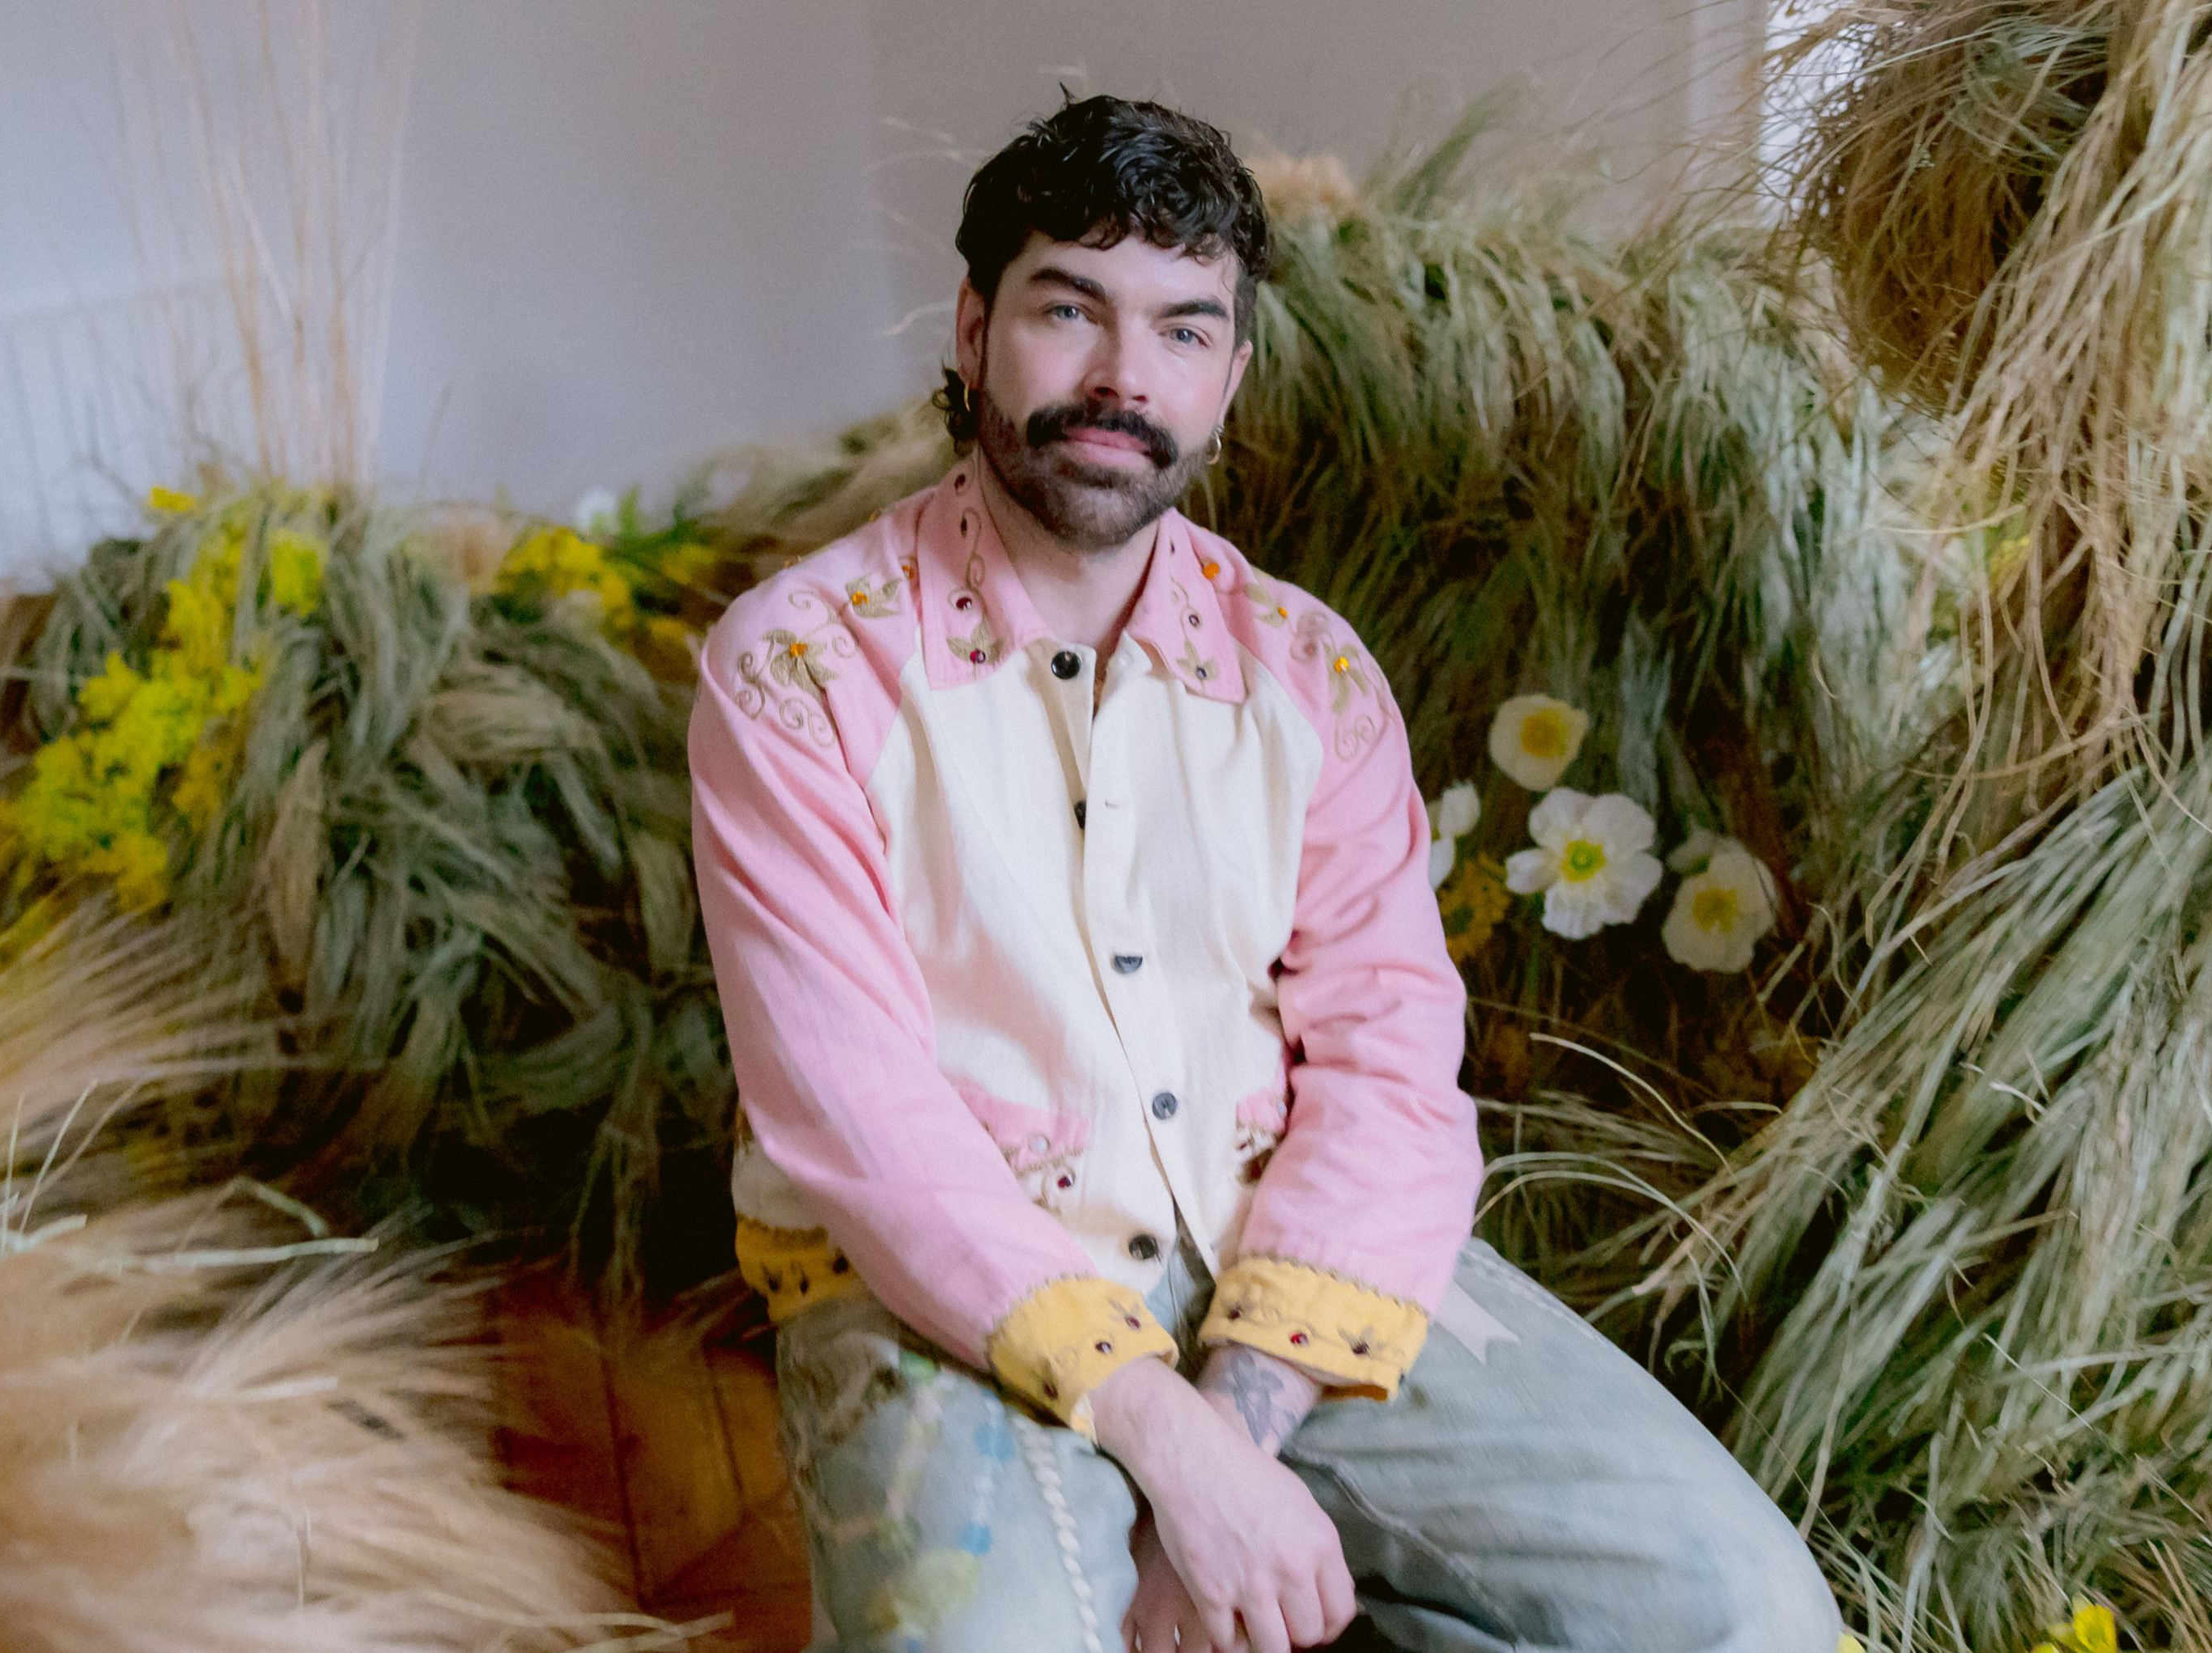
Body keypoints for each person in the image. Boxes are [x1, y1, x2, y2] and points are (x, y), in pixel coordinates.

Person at [687, 93, 1838, 1653]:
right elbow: (864, 1122)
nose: (1121, 376)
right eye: (1067, 309)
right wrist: (1172, 1453)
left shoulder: (1307, 670)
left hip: (1283, 1248)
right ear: (973, 330)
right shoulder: (798, 669)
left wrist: (1236, 1423)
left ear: (1230, 374)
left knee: (1745, 1612)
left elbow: (1387, 1063)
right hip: (935, 1280)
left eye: (1181, 329)